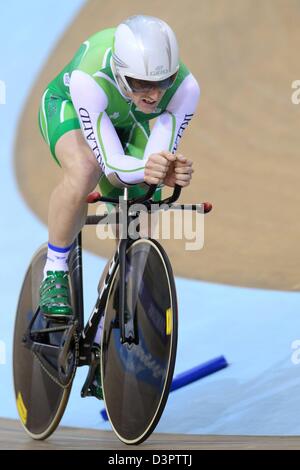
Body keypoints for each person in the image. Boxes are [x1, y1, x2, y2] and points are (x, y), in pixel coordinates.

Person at [38, 14, 200, 396]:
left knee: (140, 225)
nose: (153, 95)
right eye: (141, 84)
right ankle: (55, 269)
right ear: (120, 71)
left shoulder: (185, 88)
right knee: (85, 171)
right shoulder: (90, 77)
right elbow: (112, 165)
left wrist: (166, 171)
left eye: (160, 83)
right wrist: (149, 167)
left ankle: (102, 334)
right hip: (71, 110)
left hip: (130, 127)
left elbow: (153, 160)